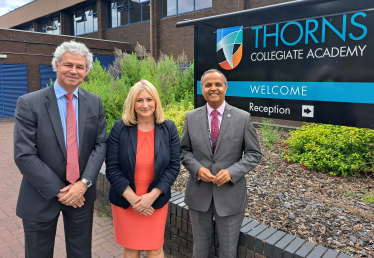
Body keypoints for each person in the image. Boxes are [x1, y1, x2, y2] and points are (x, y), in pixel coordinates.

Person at [13, 40, 107, 258]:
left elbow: (100, 144)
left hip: (82, 195)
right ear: (56, 65)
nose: (73, 71)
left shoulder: (95, 102)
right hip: (40, 195)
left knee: (81, 253)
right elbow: (24, 155)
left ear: (86, 71)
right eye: (68, 65)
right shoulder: (29, 103)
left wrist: (82, 184)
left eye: (80, 67)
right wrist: (63, 191)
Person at [180, 69, 262, 258]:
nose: (213, 88)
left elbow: (253, 154)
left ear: (226, 87)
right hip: (199, 194)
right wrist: (197, 169)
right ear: (202, 89)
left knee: (228, 251)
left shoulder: (242, 118)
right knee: (199, 249)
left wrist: (232, 172)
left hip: (230, 196)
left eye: (218, 84)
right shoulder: (191, 117)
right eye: (208, 85)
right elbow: (184, 150)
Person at [105, 79, 180, 258]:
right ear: (132, 103)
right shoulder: (119, 128)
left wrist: (150, 197)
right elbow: (112, 168)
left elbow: (174, 166)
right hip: (126, 199)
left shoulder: (168, 128)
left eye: (149, 99)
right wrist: (134, 200)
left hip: (156, 200)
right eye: (139, 100)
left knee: (155, 248)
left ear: (156, 102)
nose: (145, 105)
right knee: (130, 249)